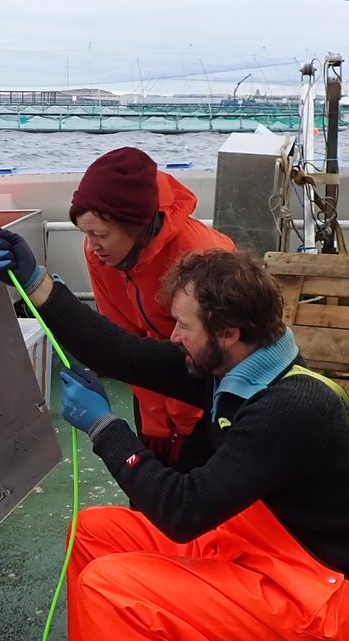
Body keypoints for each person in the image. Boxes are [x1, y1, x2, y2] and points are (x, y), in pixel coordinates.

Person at [0, 230, 349, 641]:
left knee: (113, 587)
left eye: (184, 327)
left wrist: (105, 428)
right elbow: (123, 353)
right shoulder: (234, 367)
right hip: (261, 557)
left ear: (228, 333)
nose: (173, 337)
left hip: (317, 607)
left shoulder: (289, 407)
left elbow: (183, 511)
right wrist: (36, 284)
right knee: (93, 534)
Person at [71, 147, 235, 469]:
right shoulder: (101, 254)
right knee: (150, 479)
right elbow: (123, 340)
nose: (91, 247)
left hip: (211, 383)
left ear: (136, 228)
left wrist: (182, 423)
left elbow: (208, 356)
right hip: (149, 376)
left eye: (100, 234)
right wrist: (155, 419)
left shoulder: (202, 257)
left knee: (197, 484)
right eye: (85, 233)